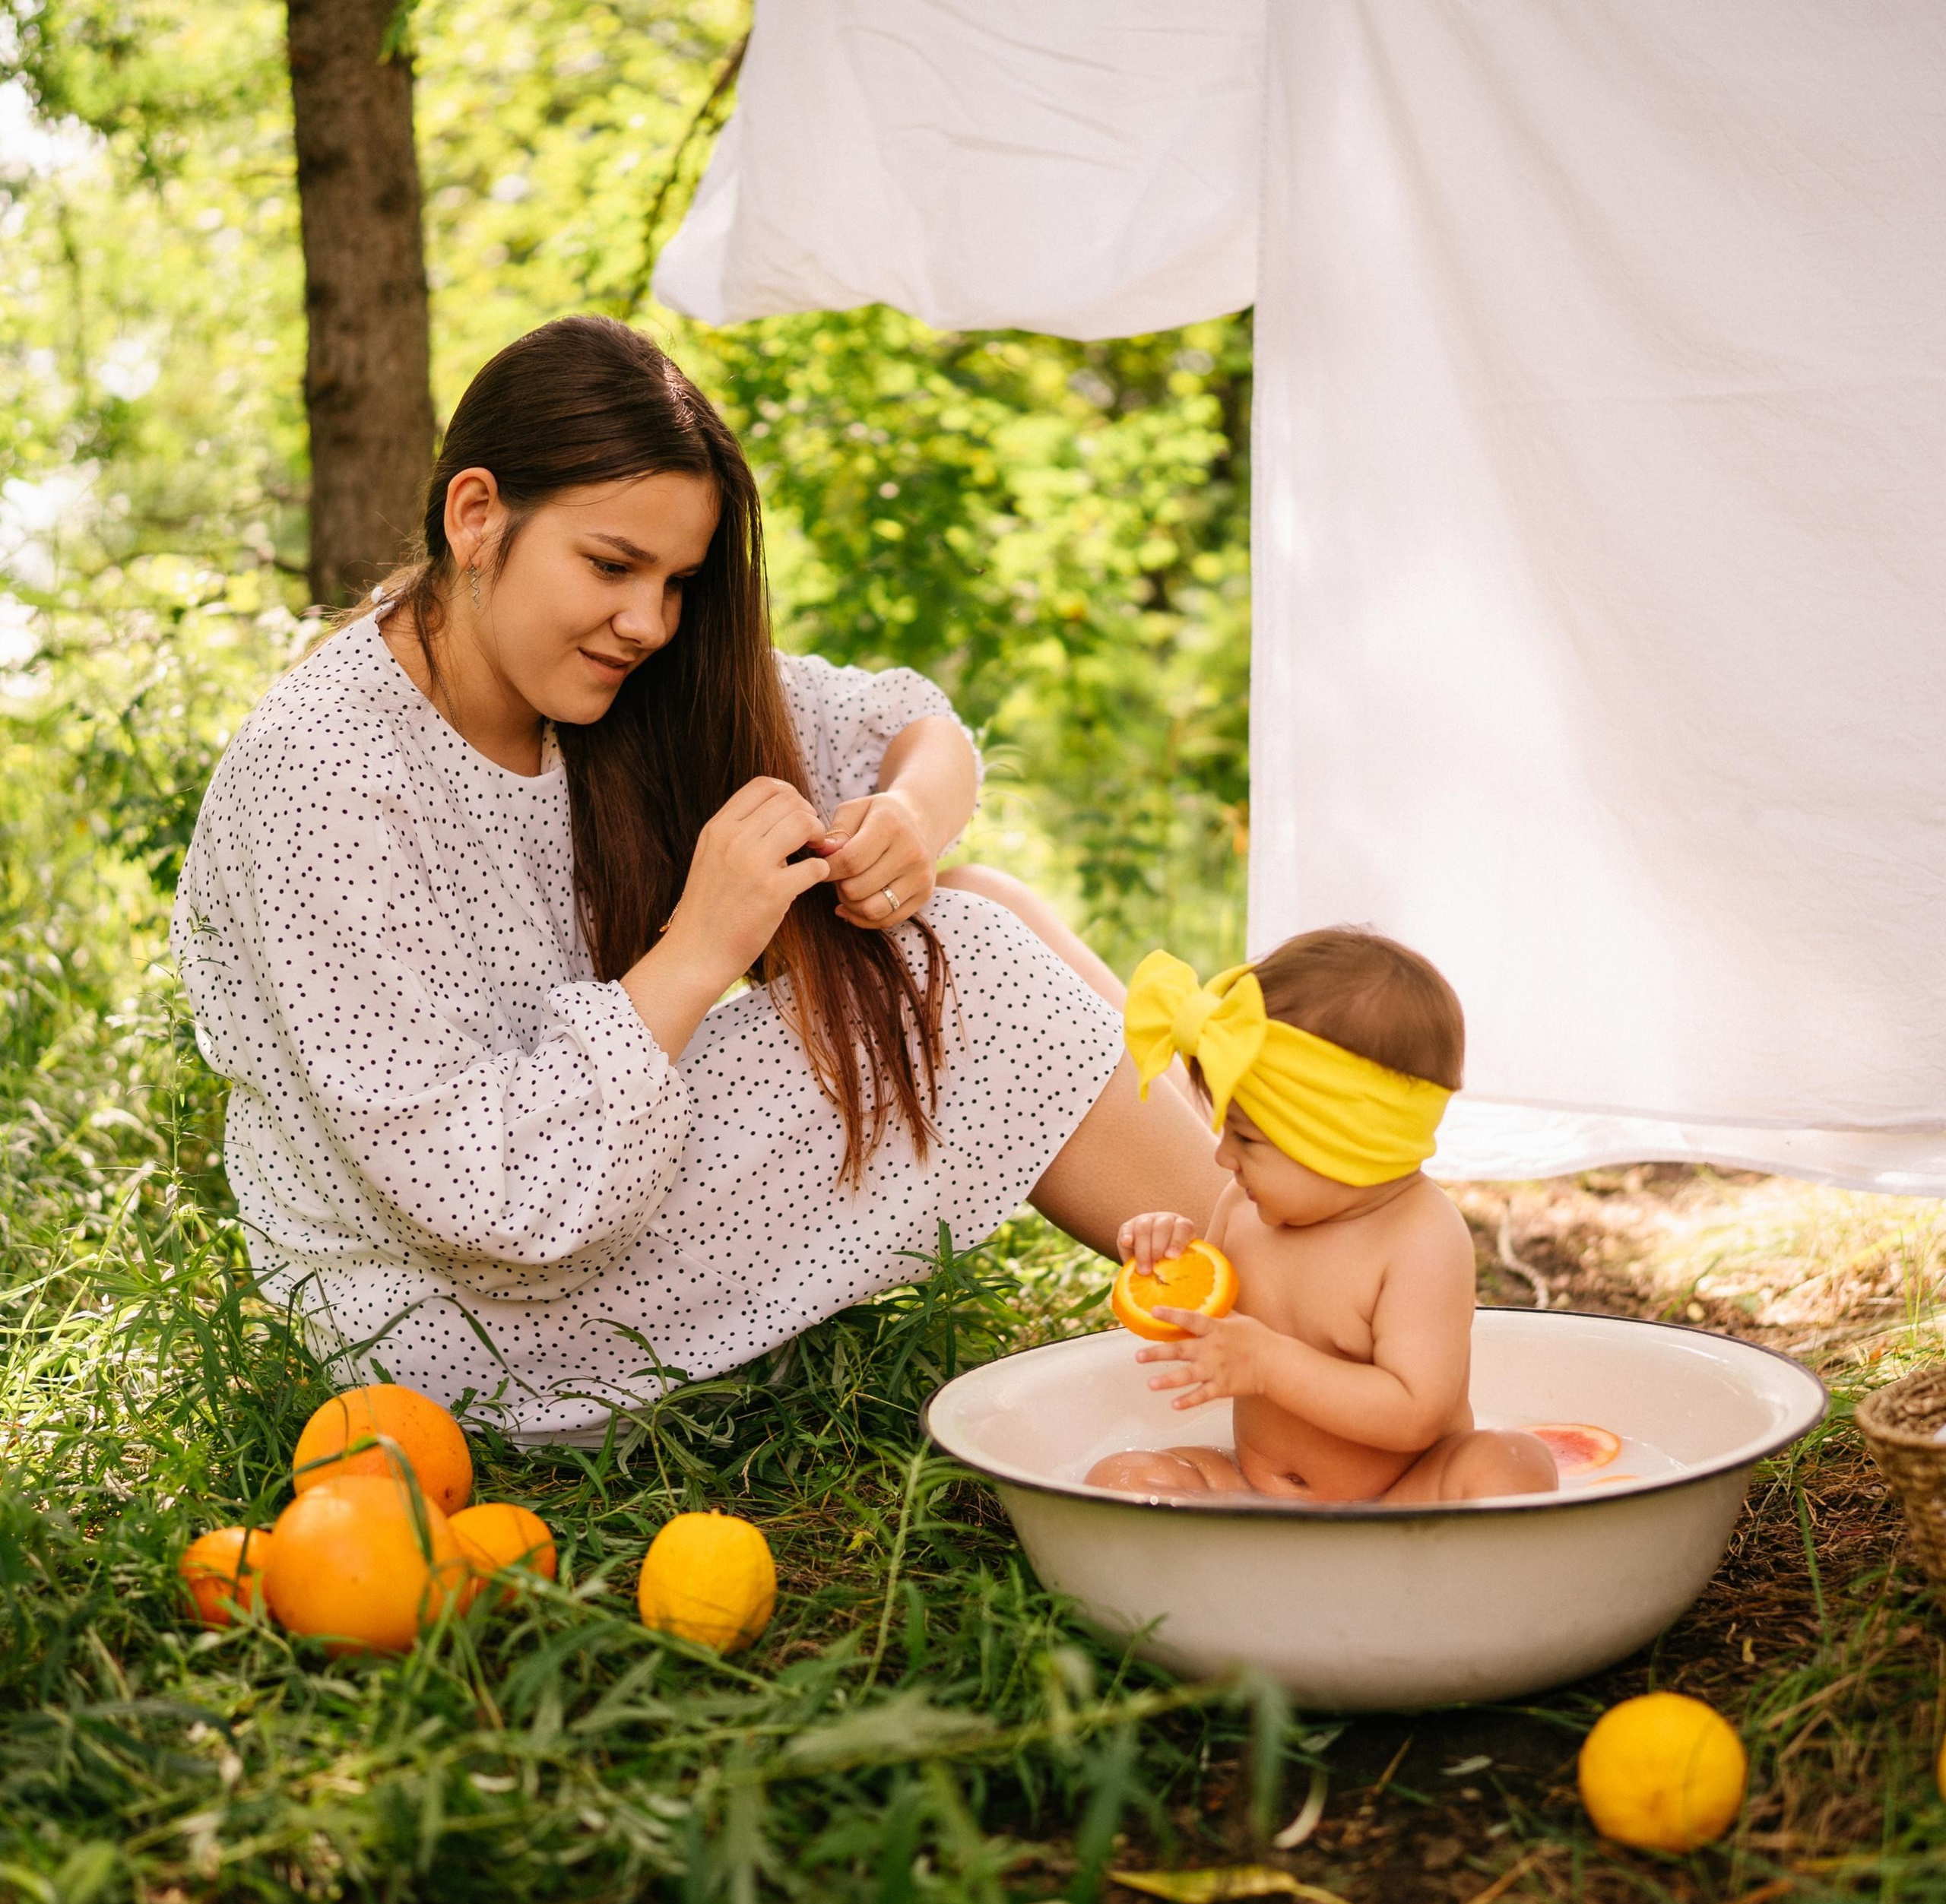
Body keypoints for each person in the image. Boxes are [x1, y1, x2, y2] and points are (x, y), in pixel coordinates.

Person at [172, 314, 1225, 1443]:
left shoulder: (606, 684)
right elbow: (480, 1195)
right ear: (475, 516)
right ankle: (1312, 1297)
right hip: (457, 1329)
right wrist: (701, 946)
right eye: (611, 566)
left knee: (973, 906)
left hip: (585, 1182)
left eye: (675, 580)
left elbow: (913, 727)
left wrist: (909, 821)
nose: (648, 621)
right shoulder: (326, 775)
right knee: (976, 985)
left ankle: (1295, 1238)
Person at [1083, 930, 1558, 1504]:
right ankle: (1250, 1557)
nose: (1221, 1157)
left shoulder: (1420, 1240)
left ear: (1342, 1141)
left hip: (1405, 1495)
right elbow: (1205, 1329)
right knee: (1122, 1480)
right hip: (1254, 1487)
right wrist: (1164, 1262)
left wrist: (1270, 1365)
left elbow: (1415, 1415)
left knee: (1510, 1466)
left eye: (1248, 1139)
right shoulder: (1242, 1208)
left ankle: (1401, 1561)